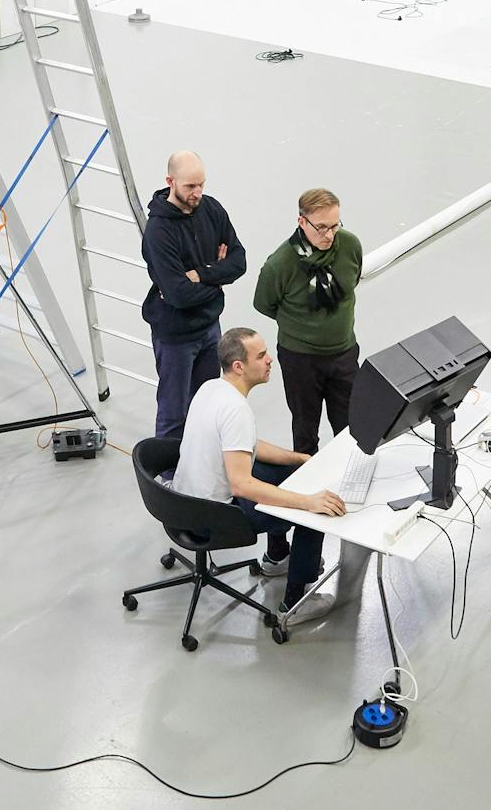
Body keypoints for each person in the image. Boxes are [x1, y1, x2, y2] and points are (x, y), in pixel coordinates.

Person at [169, 329, 345, 624]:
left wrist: (300, 459)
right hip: (214, 516)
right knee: (316, 512)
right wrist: (307, 503)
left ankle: (277, 557)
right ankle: (297, 601)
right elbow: (242, 484)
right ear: (239, 366)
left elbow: (245, 446)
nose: (270, 360)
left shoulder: (211, 388)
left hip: (183, 503)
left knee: (294, 475)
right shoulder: (236, 409)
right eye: (261, 356)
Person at [140, 150, 246, 439]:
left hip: (210, 329)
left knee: (207, 405)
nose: (197, 192)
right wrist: (219, 275)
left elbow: (239, 262)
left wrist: (201, 274)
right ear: (170, 182)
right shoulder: (158, 232)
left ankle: (201, 465)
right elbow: (178, 295)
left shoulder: (211, 210)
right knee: (175, 413)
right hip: (176, 337)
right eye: (190, 186)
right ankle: (167, 476)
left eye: (201, 184)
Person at [251, 187, 362, 455]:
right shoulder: (280, 264)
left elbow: (353, 279)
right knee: (305, 430)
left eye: (334, 226)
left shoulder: (350, 246)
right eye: (321, 227)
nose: (329, 235)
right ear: (302, 222)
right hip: (300, 359)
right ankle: (307, 490)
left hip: (343, 354)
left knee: (352, 429)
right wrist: (301, 324)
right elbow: (263, 303)